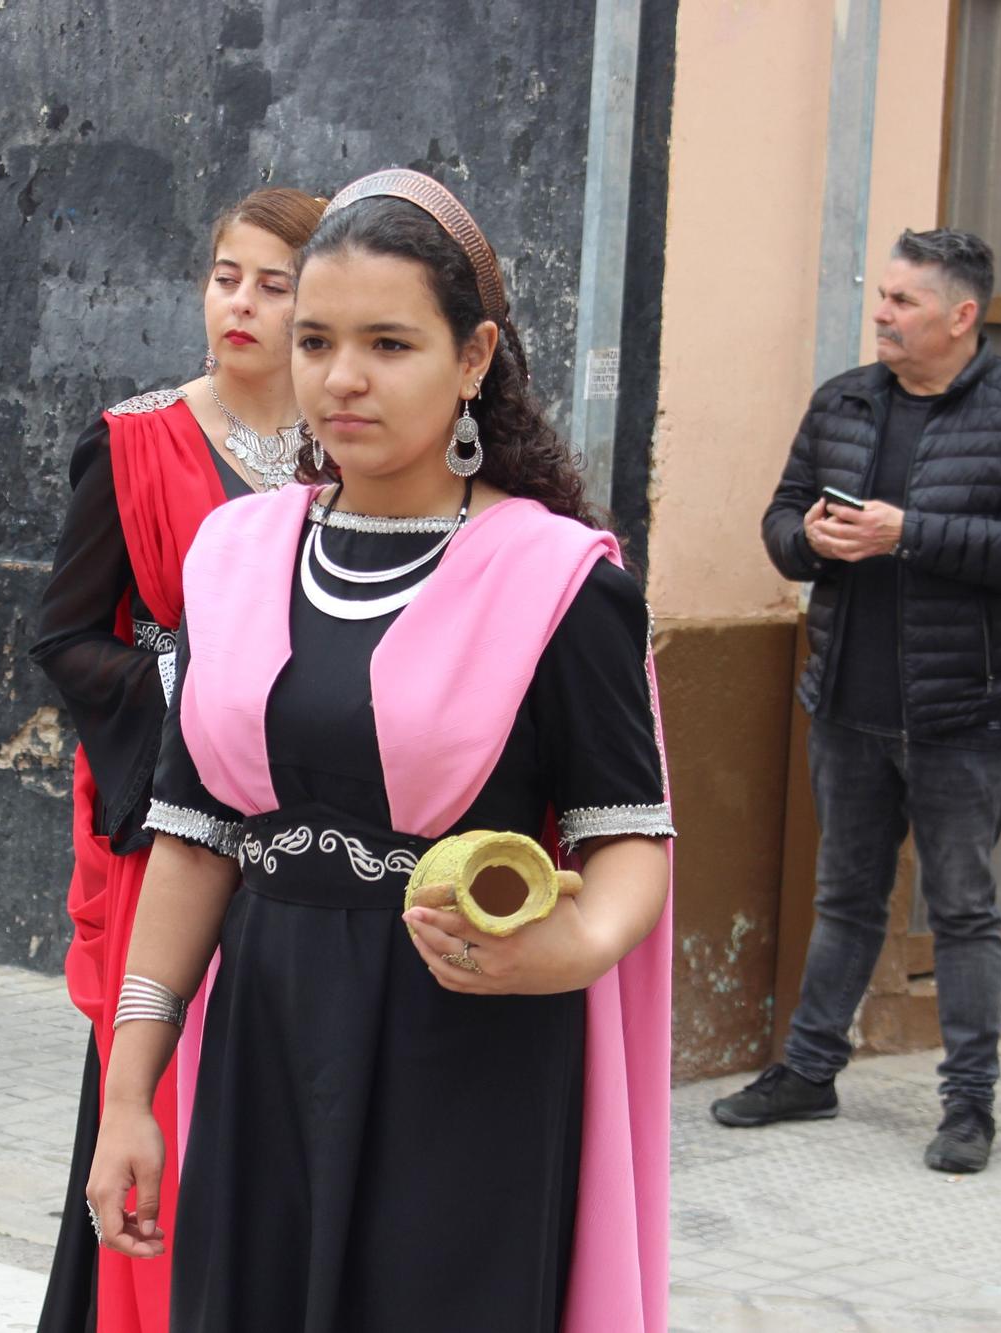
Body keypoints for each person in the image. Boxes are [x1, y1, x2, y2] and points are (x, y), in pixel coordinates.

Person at [84, 169, 676, 1333]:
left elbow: (630, 843)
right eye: (315, 340)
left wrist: (570, 947)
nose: (340, 378)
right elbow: (195, 846)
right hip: (260, 1035)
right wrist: (129, 1092)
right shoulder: (234, 553)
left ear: (471, 358)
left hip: (469, 1046)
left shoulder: (558, 581)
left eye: (388, 343)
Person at [723, 228, 1001, 1174]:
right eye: (881, 297)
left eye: (902, 302)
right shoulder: (843, 401)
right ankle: (809, 1071)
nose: (880, 315)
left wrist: (908, 532)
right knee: (845, 896)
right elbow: (780, 519)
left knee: (963, 907)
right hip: (847, 696)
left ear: (961, 315)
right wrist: (807, 538)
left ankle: (969, 1107)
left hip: (963, 710)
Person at [30, 186, 327, 1333]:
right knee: (151, 1088)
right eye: (223, 275)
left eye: (272, 281)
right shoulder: (134, 441)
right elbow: (63, 638)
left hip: (313, 823)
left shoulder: (352, 443)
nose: (240, 303)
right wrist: (196, 690)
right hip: (166, 820)